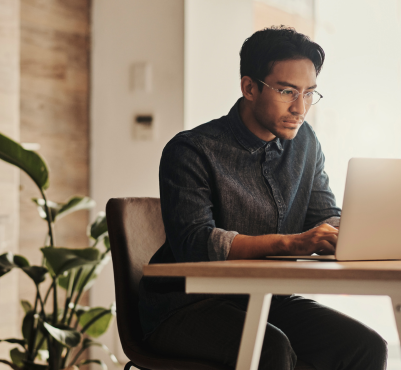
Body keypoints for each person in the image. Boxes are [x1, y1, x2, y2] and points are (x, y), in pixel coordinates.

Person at [138, 26, 388, 370]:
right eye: (287, 91)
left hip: (267, 298)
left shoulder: (305, 142)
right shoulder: (192, 150)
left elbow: (323, 214)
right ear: (249, 87)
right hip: (186, 306)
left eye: (309, 93)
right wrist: (292, 244)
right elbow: (196, 244)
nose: (300, 108)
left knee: (364, 346)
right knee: (269, 349)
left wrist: (358, 230)